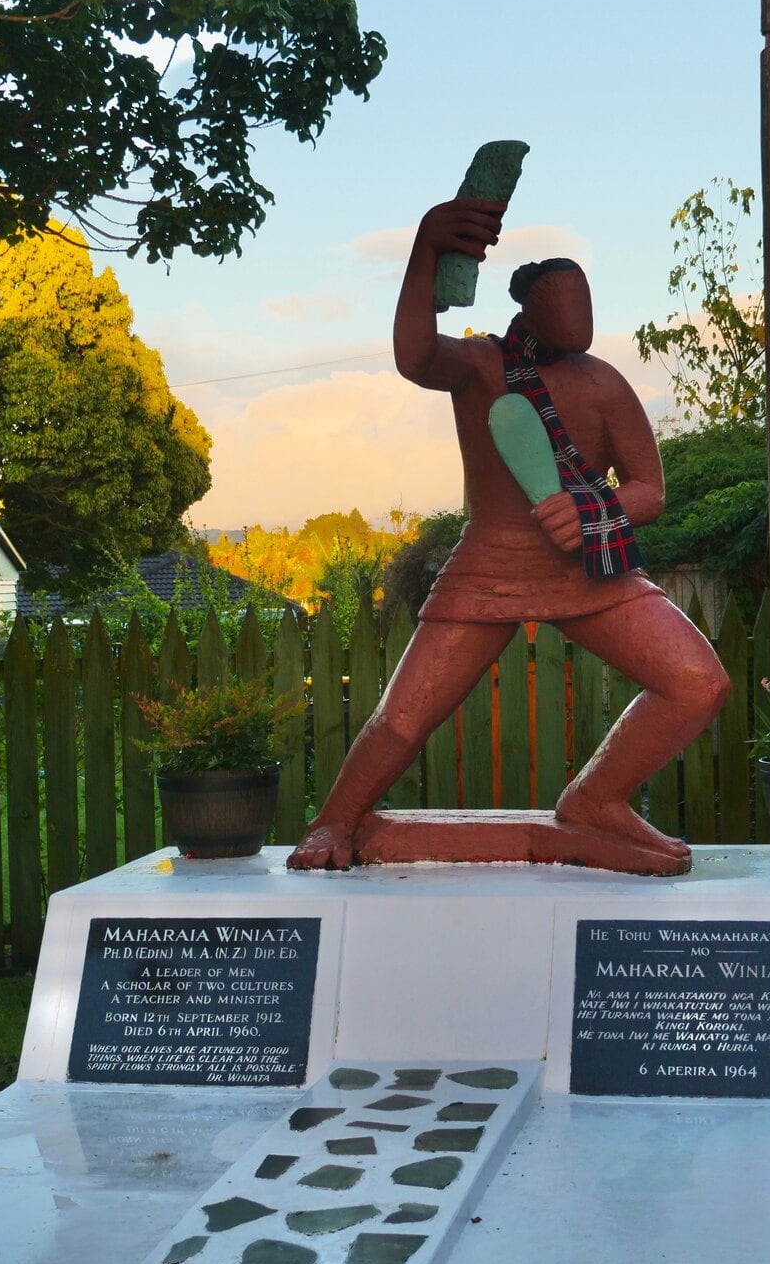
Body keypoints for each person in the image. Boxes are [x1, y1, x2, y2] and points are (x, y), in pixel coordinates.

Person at [286, 197, 729, 874]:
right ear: (530, 311)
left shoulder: (605, 384)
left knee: (698, 681)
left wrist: (593, 514)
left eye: (586, 307)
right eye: (564, 308)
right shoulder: (482, 367)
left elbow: (650, 490)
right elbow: (415, 355)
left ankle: (596, 801)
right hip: (489, 566)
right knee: (403, 716)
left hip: (589, 569)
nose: (579, 322)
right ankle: (336, 819)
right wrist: (426, 249)